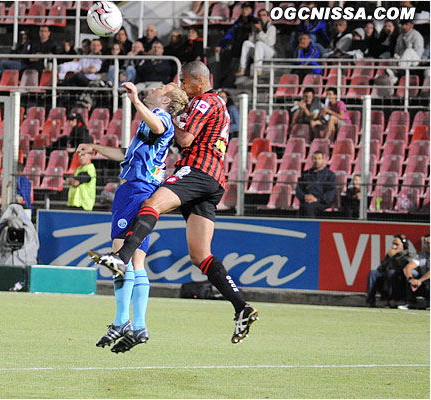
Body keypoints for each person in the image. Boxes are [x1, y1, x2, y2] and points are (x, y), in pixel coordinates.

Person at [89, 61, 259, 345]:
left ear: (200, 82)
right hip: (214, 180)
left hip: (198, 169)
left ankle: (120, 258)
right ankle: (241, 306)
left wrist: (173, 118)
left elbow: (186, 137)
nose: (182, 86)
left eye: (184, 81)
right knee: (200, 255)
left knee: (152, 205)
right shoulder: (216, 105)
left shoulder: (206, 100)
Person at [79, 81, 188, 353]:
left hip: (136, 189)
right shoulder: (150, 123)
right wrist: (96, 148)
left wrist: (135, 100)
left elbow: (160, 127)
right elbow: (128, 154)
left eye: (161, 89)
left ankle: (121, 321)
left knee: (119, 256)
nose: (155, 88)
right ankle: (138, 325)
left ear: (166, 101)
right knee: (137, 261)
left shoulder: (161, 117)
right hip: (142, 188)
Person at [215, 2, 256, 87]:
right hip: (237, 49)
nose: (245, 11)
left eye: (247, 9)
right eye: (243, 9)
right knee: (232, 68)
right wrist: (221, 44)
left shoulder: (254, 22)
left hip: (249, 51)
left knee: (246, 71)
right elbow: (230, 34)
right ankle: (229, 85)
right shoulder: (238, 22)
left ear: (251, 10)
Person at [366, 234, 411, 308]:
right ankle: (370, 301)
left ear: (404, 245)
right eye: (393, 244)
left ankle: (391, 301)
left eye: (396, 244)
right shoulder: (390, 254)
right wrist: (389, 258)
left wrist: (395, 257)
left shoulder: (408, 256)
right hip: (387, 281)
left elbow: (401, 270)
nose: (394, 247)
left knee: (391, 272)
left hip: (400, 284)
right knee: (373, 273)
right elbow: (381, 268)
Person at [295, 151, 336, 217]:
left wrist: (317, 199)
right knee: (303, 208)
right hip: (307, 201)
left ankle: (310, 226)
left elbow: (330, 191)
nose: (317, 161)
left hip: (322, 202)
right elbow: (298, 189)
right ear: (312, 160)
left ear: (323, 160)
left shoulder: (330, 175)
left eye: (319, 158)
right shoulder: (306, 174)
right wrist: (305, 197)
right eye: (315, 158)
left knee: (308, 208)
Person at [236, 8, 276, 77]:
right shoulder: (256, 28)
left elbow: (270, 43)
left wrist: (260, 31)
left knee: (259, 43)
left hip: (269, 52)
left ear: (268, 17)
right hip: (258, 52)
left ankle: (258, 69)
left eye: (264, 15)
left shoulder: (272, 28)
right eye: (260, 15)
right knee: (246, 43)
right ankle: (242, 68)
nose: (261, 17)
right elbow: (251, 42)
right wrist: (253, 33)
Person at [386, 20, 425, 85]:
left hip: (415, 61)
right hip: (403, 60)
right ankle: (394, 78)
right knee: (392, 58)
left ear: (411, 25)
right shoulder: (400, 37)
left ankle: (398, 72)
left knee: (408, 51)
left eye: (406, 24)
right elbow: (397, 52)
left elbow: (419, 53)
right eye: (402, 24)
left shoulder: (416, 35)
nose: (404, 26)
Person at [399, 234, 430, 310]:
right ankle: (411, 303)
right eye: (426, 243)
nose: (428, 245)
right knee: (413, 273)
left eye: (429, 243)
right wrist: (411, 279)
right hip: (423, 285)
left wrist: (419, 281)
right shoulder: (422, 255)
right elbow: (407, 268)